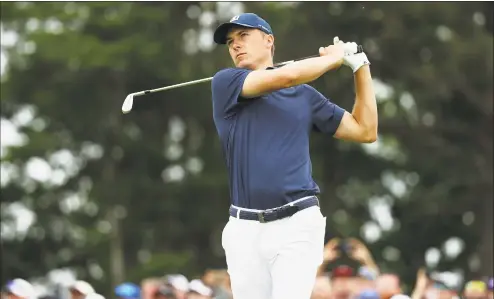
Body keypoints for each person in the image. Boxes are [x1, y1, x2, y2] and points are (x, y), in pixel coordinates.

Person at [211, 12, 376, 299]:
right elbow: (286, 76)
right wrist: (335, 58)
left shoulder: (304, 96)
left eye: (243, 36)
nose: (235, 45)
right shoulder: (226, 83)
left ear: (269, 40)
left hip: (297, 224)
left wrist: (360, 65)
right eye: (230, 41)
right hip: (244, 230)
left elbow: (365, 130)